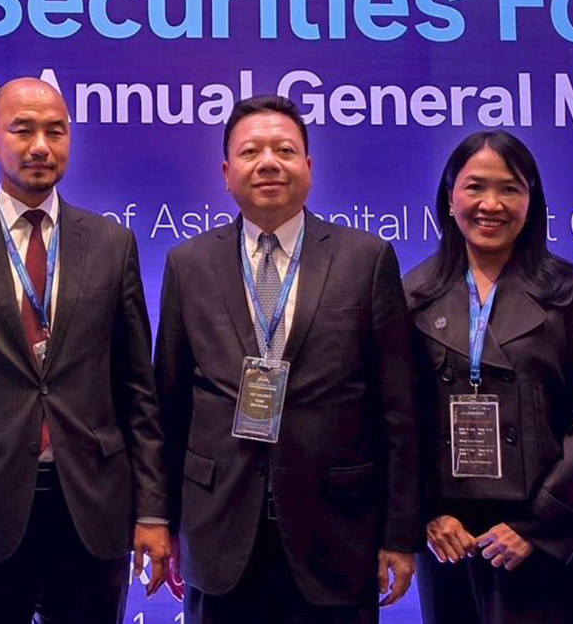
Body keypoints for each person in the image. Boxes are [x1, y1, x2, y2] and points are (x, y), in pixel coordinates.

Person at [0, 77, 169, 624]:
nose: (40, 146)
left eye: (55, 131)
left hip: (94, 508)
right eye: (22, 131)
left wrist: (152, 510)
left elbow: (137, 392)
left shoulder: (111, 245)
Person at [154, 95, 419, 623]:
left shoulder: (365, 260)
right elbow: (169, 406)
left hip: (337, 533)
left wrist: (399, 533)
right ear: (226, 173)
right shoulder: (188, 265)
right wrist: (160, 519)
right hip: (219, 530)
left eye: (285, 150)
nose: (269, 163)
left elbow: (398, 411)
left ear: (309, 167)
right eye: (251, 152)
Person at [406, 130, 573, 624]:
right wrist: (425, 515)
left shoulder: (567, 294)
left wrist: (540, 524)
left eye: (509, 189)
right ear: (449, 197)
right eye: (475, 187)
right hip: (448, 537)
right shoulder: (414, 295)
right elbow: (393, 417)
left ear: (532, 201)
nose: (491, 204)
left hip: (538, 536)